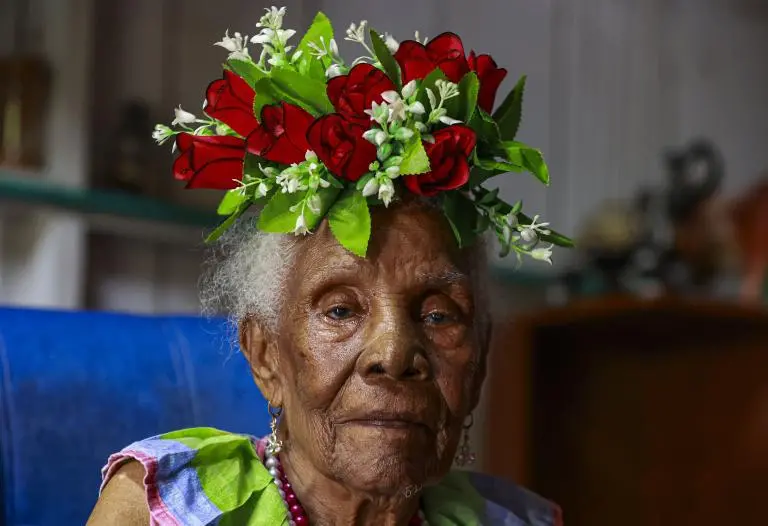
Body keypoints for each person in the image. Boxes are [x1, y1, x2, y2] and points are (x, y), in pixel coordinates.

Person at [88, 7, 571, 525]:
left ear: (478, 368)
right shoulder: (164, 511)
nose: (394, 354)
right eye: (340, 311)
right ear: (265, 355)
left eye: (439, 316)